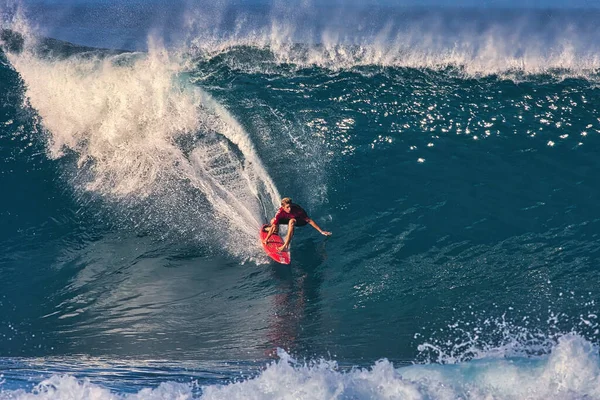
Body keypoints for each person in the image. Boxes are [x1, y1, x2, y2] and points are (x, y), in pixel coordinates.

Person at [263, 197, 332, 252]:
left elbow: (309, 220)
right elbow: (274, 224)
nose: (289, 209)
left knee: (291, 222)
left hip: (300, 221)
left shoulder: (297, 209)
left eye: (290, 206)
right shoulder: (280, 212)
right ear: (283, 207)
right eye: (287, 207)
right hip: (289, 218)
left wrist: (321, 231)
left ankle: (285, 245)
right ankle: (275, 231)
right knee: (273, 221)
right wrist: (266, 239)